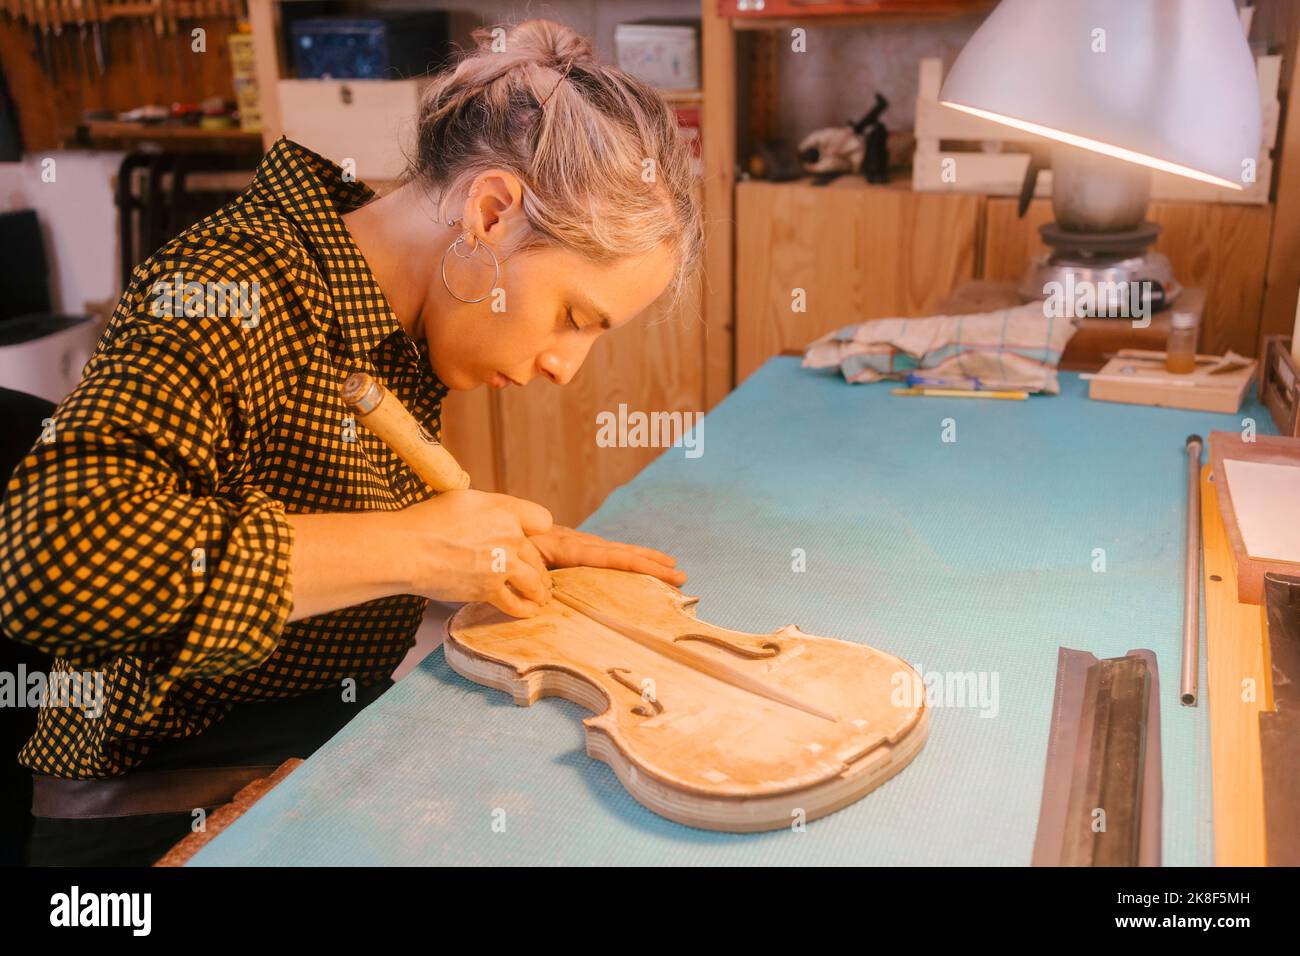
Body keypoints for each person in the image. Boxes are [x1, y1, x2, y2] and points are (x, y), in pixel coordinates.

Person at [0, 18, 704, 865]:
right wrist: (411, 547)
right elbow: (53, 560)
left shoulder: (390, 327)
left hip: (307, 742)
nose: (564, 366)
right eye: (572, 318)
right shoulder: (232, 284)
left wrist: (487, 559)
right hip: (147, 813)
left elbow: (311, 556)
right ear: (490, 213)